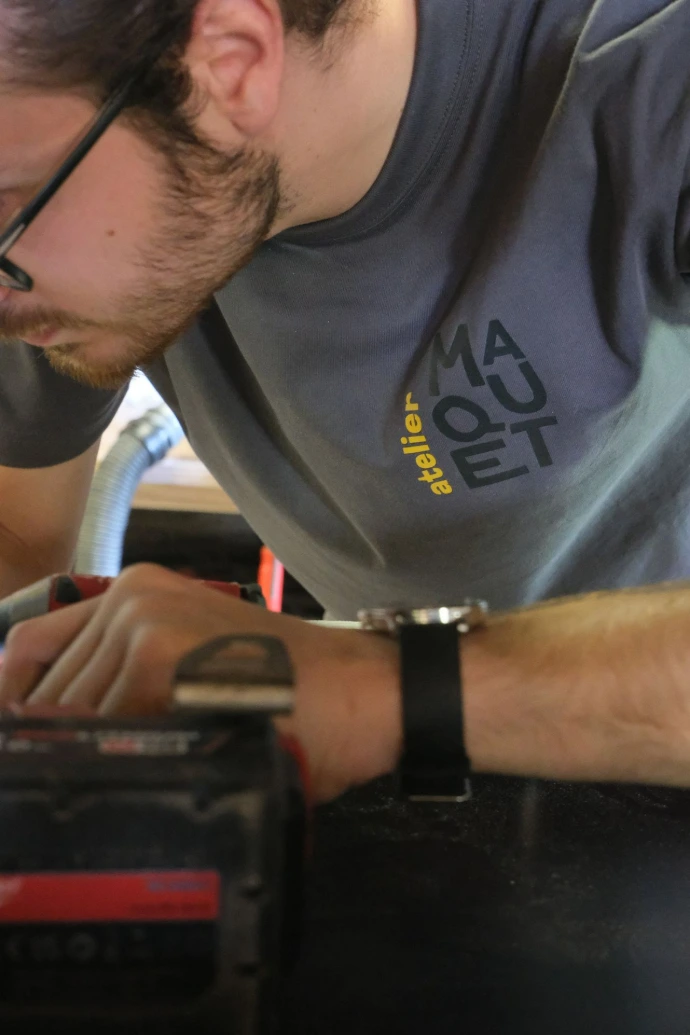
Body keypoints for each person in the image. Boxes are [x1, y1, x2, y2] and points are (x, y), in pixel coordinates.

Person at [0, 0, 689, 802]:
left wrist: (370, 685)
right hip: (414, 773)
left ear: (230, 60)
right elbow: (19, 533)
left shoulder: (646, 72)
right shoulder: (58, 222)